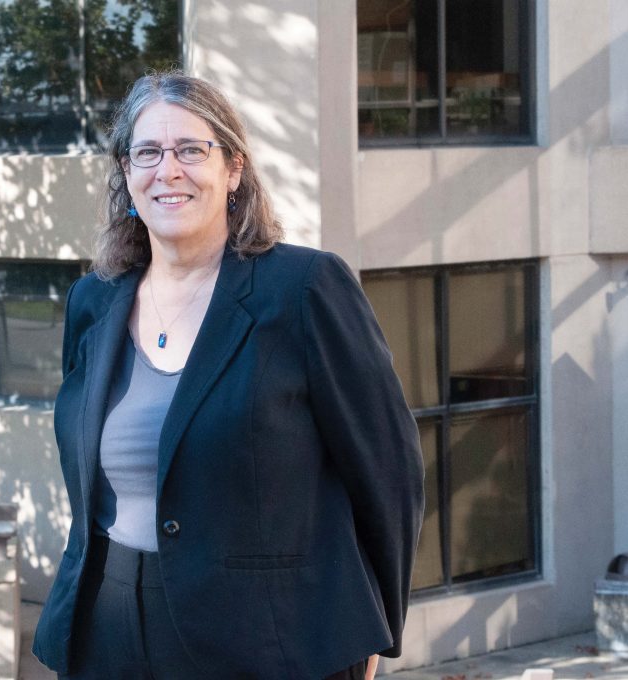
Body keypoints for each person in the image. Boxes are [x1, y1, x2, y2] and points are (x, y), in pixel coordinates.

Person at [32, 71, 424, 680]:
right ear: (127, 174)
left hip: (272, 642)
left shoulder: (304, 288)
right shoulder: (94, 302)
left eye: (192, 149)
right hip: (107, 635)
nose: (169, 169)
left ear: (233, 168)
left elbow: (388, 472)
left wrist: (373, 628)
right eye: (148, 152)